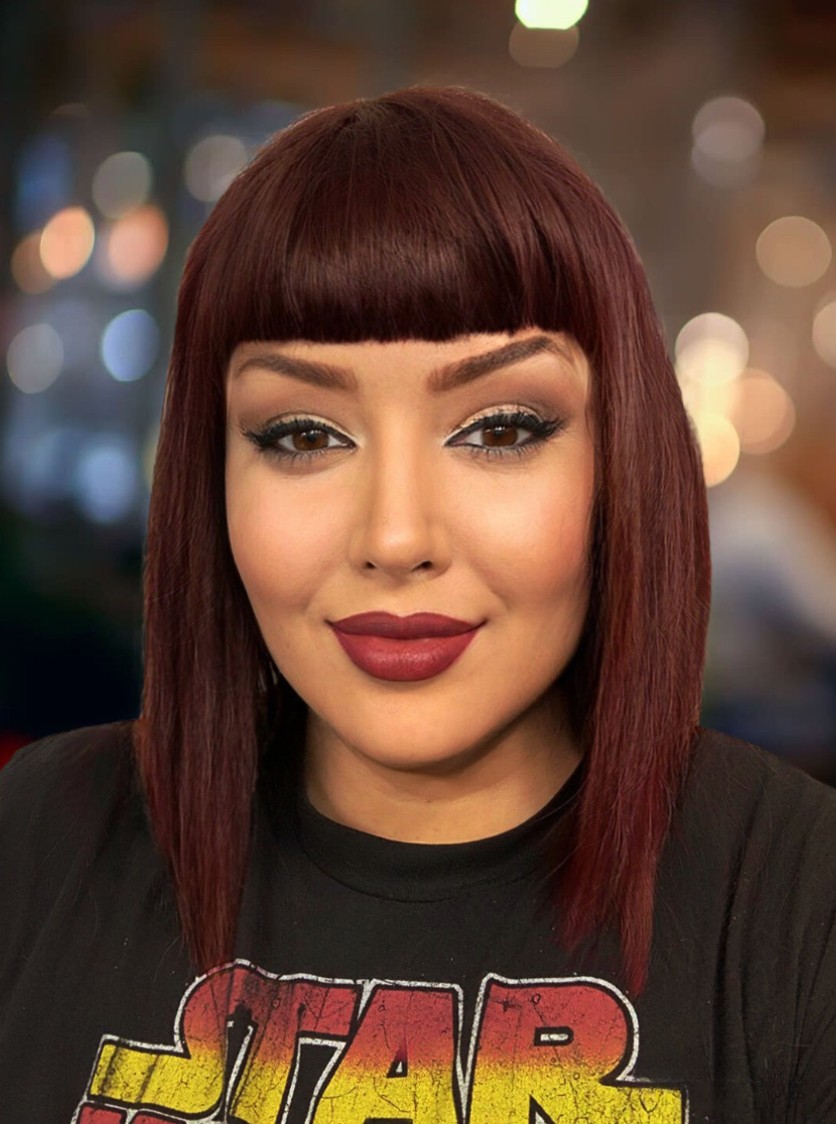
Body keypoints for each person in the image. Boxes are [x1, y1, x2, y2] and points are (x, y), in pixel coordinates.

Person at [1, 85, 835, 1124]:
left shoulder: (795, 896)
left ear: (620, 461)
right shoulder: (45, 835)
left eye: (500, 428)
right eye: (302, 435)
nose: (395, 538)